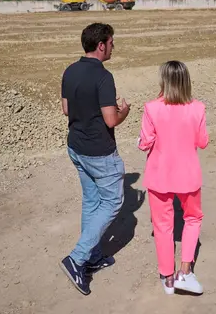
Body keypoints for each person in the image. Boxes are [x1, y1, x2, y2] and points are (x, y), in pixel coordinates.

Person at [59, 22, 131, 296]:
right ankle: (77, 258)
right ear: (101, 45)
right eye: (112, 43)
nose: (113, 47)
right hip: (99, 152)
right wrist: (123, 111)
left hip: (76, 147)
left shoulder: (70, 70)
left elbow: (66, 109)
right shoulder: (103, 77)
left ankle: (92, 254)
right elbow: (111, 120)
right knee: (112, 201)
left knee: (91, 201)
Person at [137, 61, 209, 295]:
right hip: (188, 174)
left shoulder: (151, 108)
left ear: (163, 81)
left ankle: (168, 279)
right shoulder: (198, 108)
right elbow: (203, 142)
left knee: (162, 226)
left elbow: (144, 143)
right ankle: (185, 271)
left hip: (159, 175)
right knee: (193, 218)